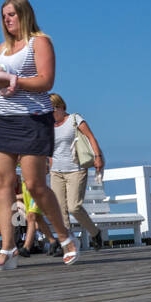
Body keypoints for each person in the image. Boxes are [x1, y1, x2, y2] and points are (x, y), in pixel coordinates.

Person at [0, 0, 77, 270]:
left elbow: (46, 81)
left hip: (32, 119)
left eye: (12, 15)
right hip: (2, 119)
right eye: (4, 16)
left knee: (34, 185)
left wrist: (13, 80)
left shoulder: (39, 41)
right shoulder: (2, 49)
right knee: (1, 183)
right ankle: (8, 248)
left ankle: (65, 238)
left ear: (24, 15)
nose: (7, 20)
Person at [49, 94, 105, 251]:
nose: (49, 113)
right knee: (59, 210)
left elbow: (91, 138)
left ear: (61, 107)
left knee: (74, 207)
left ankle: (95, 233)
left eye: (52, 109)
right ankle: (68, 244)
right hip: (56, 172)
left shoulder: (75, 119)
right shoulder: (48, 125)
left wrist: (98, 157)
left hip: (76, 169)